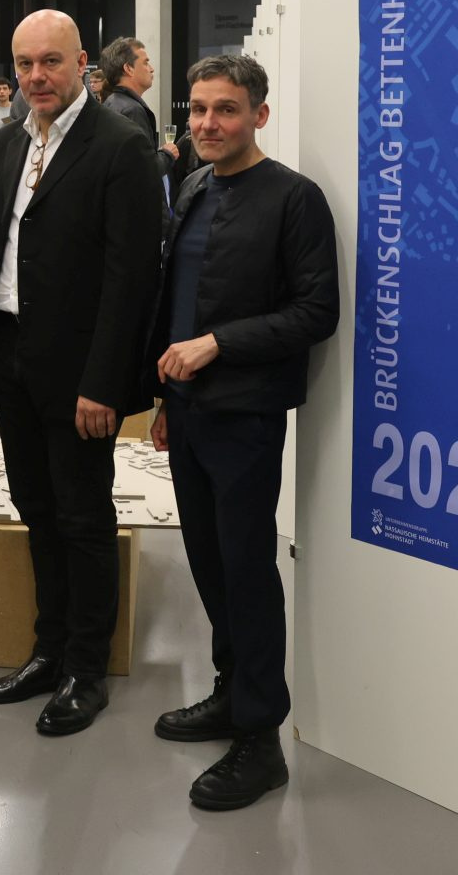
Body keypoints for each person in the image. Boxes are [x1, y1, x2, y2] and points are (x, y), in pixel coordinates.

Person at [0, 10, 163, 735]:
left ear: (84, 64)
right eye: (24, 64)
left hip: (81, 372)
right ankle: (47, 650)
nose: (36, 77)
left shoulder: (121, 145)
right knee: (35, 509)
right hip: (12, 354)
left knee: (83, 517)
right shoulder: (11, 139)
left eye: (51, 62)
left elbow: (131, 277)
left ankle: (86, 666)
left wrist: (105, 383)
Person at [148, 53, 338, 811]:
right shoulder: (193, 186)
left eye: (224, 110)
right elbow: (180, 303)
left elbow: (315, 312)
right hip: (188, 411)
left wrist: (219, 344)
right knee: (209, 565)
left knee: (248, 570)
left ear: (259, 114)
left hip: (247, 415)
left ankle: (261, 740)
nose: (206, 124)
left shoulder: (294, 199)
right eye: (196, 110)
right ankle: (232, 693)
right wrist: (165, 395)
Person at [99, 36, 179, 182]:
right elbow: (145, 170)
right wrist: (168, 154)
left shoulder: (110, 104)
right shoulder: (132, 110)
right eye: (145, 63)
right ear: (128, 69)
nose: (152, 69)